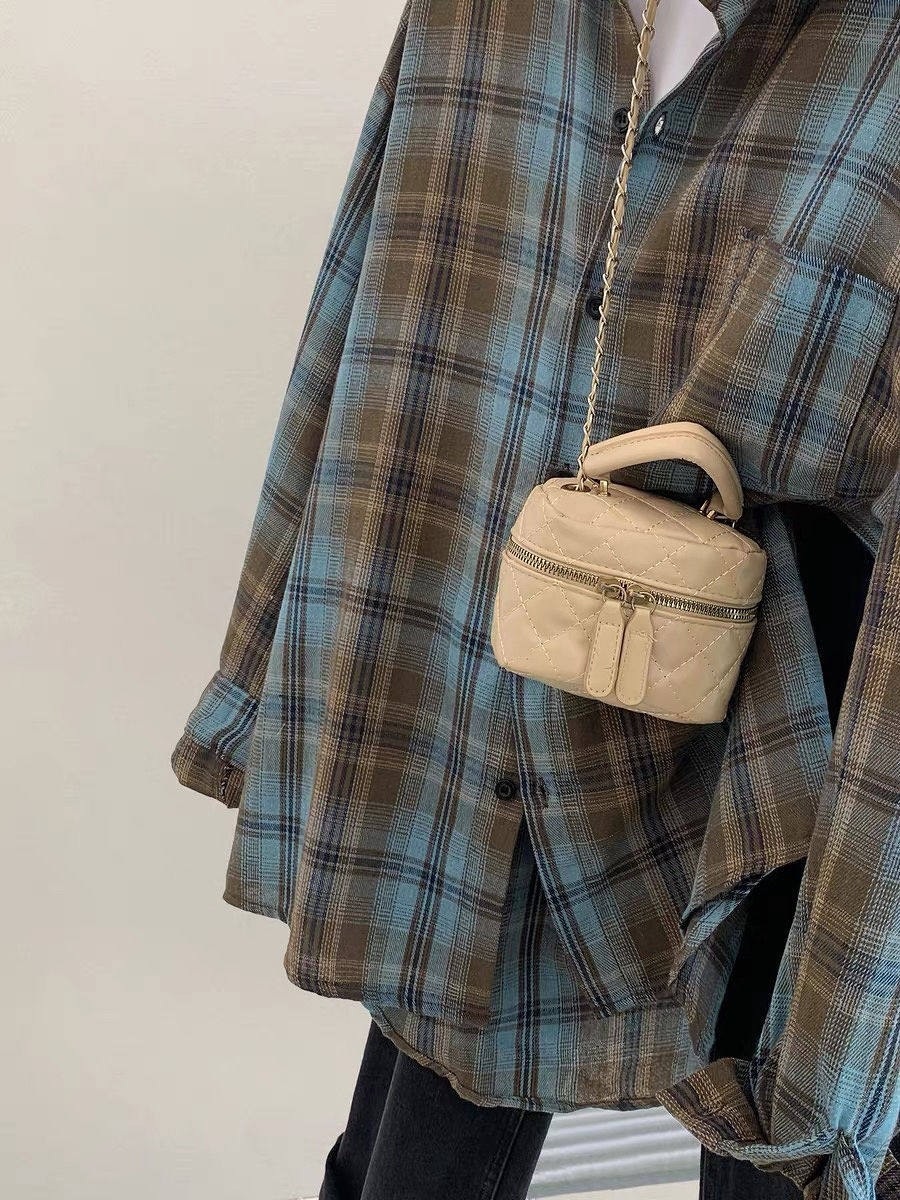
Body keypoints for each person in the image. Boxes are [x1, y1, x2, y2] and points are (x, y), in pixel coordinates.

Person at [170, 1, 900, 1196]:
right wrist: (265, 679)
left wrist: (854, 1038)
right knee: (414, 1146)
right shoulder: (486, 20)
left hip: (796, 753)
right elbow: (364, 303)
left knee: (793, 1134)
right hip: (485, 669)